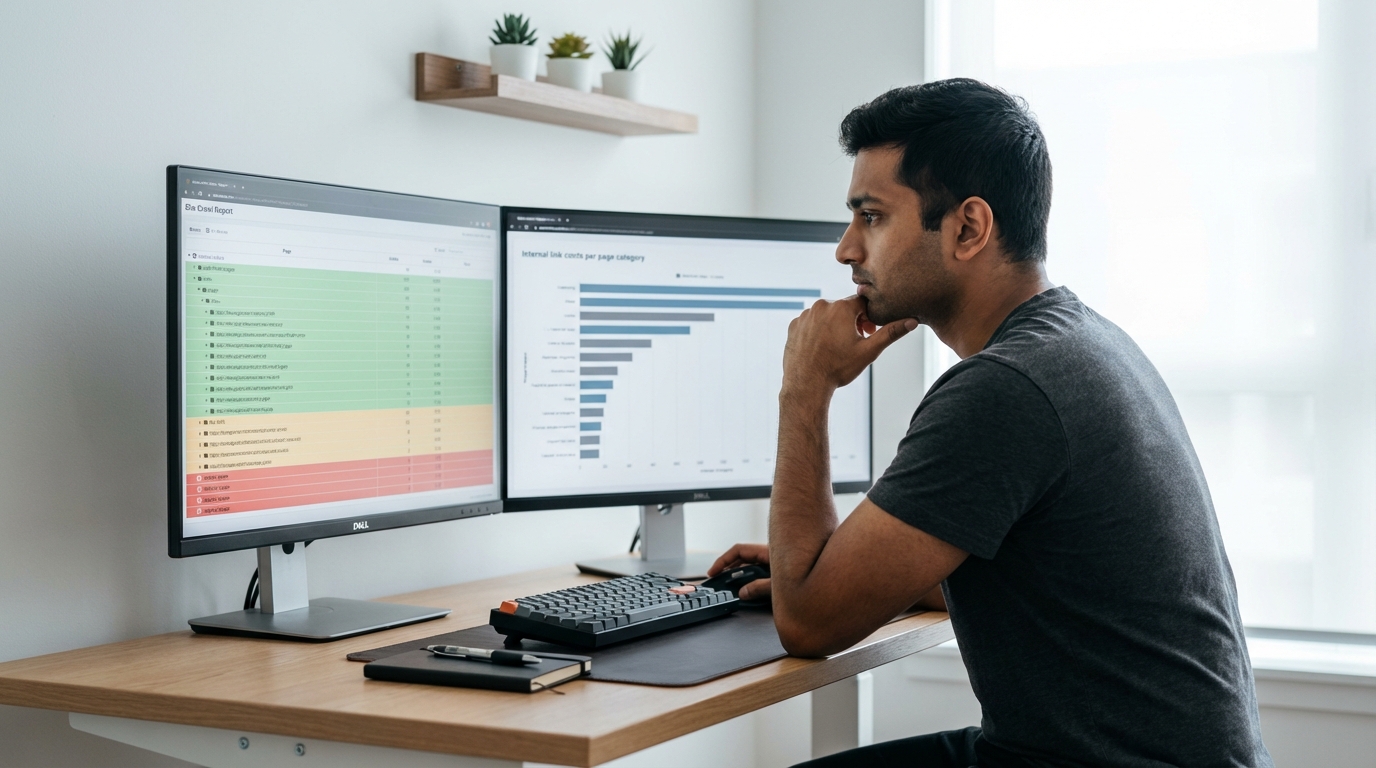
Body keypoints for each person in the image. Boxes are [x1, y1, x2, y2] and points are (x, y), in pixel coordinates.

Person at [709, 79, 1272, 768]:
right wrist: (836, 568)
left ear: (969, 228)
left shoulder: (1004, 389)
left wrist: (805, 390)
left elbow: (808, 625)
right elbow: (1051, 564)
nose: (846, 249)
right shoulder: (1083, 341)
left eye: (872, 216)